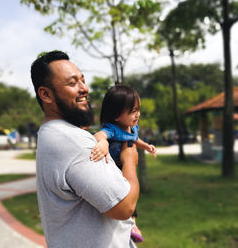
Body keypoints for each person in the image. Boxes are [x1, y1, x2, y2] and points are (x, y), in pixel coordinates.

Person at [31, 50, 140, 248]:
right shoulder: (72, 141)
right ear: (46, 94)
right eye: (72, 83)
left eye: (83, 80)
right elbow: (124, 207)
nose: (85, 89)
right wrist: (130, 160)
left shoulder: (49, 134)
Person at [91, 85, 157, 243]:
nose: (137, 114)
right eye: (132, 111)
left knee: (132, 198)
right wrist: (103, 143)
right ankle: (130, 226)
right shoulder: (112, 129)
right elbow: (98, 135)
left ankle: (133, 225)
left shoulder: (132, 127)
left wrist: (146, 146)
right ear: (116, 115)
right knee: (124, 200)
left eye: (138, 109)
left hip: (125, 171)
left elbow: (134, 139)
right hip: (113, 173)